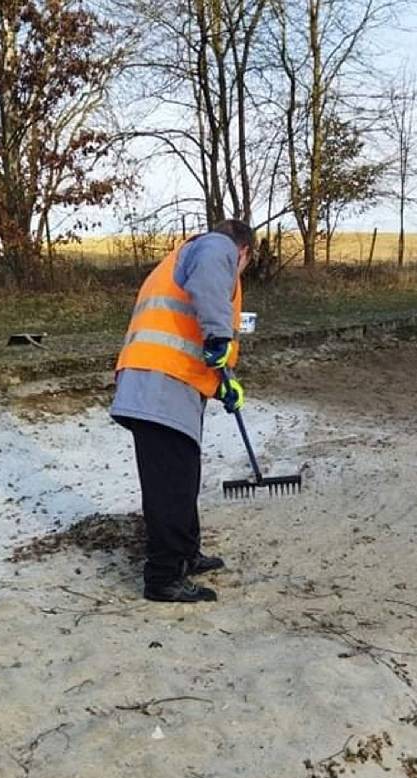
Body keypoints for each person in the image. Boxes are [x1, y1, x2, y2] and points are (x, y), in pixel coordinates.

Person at [110, 219, 254, 602]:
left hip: (164, 383)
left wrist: (227, 381)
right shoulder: (216, 247)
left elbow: (197, 331)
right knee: (170, 486)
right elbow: (210, 295)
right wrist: (220, 337)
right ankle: (163, 578)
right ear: (244, 253)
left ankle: (186, 554)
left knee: (183, 476)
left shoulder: (185, 257)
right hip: (159, 383)